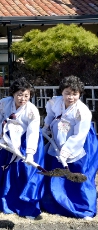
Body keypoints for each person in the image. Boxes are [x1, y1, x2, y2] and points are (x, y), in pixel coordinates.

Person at [0, 77, 44, 218]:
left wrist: (30, 153)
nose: (23, 99)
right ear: (13, 93)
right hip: (5, 139)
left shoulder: (32, 111)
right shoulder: (3, 104)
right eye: (19, 95)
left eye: (26, 95)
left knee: (22, 171)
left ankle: (20, 201)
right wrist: (1, 137)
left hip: (25, 141)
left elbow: (33, 133)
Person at [40, 76, 98, 219]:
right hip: (57, 139)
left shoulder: (82, 111)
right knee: (54, 171)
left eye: (74, 94)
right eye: (67, 93)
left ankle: (83, 207)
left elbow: (79, 135)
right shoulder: (55, 102)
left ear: (80, 94)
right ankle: (54, 204)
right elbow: (50, 116)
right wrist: (46, 128)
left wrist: (66, 151)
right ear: (62, 92)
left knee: (78, 175)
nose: (70, 97)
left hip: (79, 142)